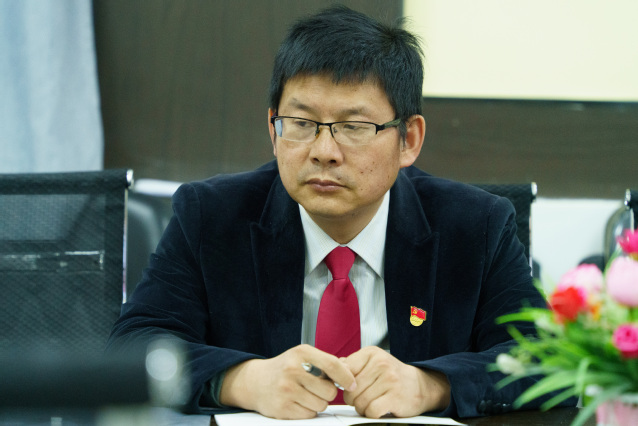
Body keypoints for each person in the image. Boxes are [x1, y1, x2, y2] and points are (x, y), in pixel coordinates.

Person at [107, 5, 567, 420]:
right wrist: (244, 380)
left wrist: (430, 386)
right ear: (273, 130)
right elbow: (134, 346)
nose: (324, 151)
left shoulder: (476, 226)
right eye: (301, 124)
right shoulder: (211, 216)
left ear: (408, 140)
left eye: (353, 126)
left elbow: (545, 363)